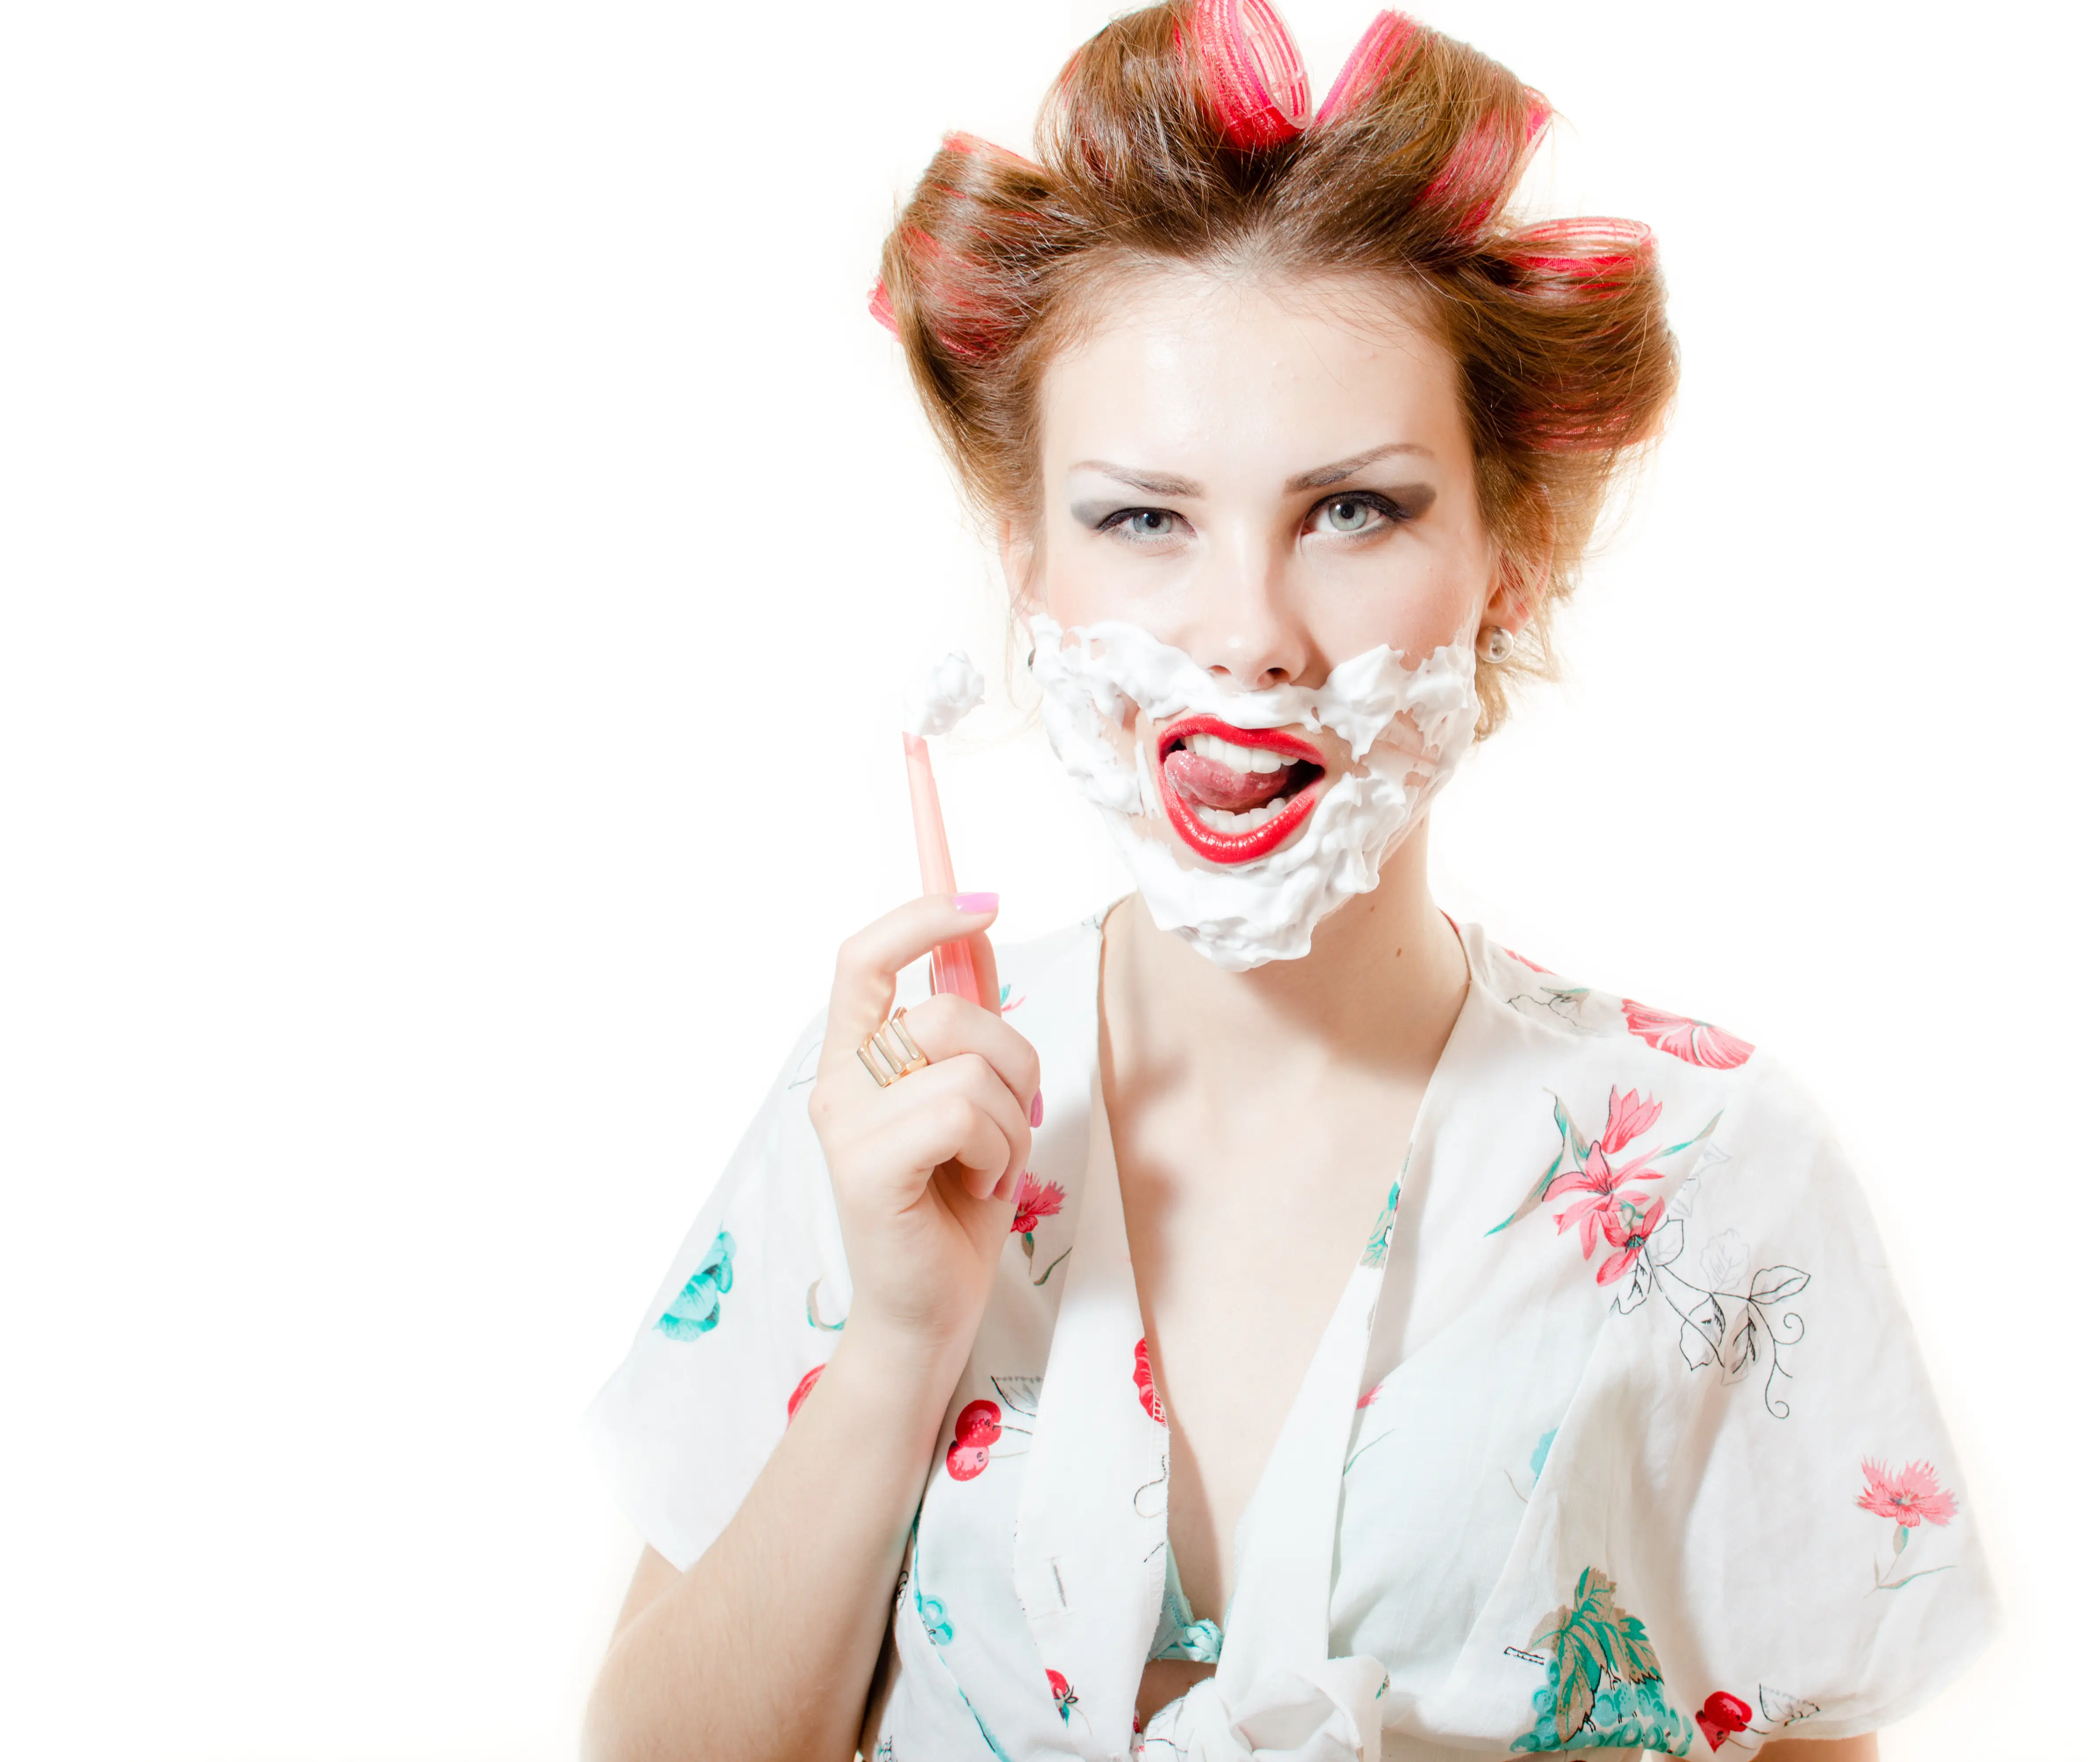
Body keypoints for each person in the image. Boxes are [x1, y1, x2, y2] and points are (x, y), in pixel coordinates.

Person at [581, 4, 1995, 1758]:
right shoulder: (887, 1108)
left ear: (1509, 555)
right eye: (1143, 519)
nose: (1246, 635)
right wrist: (895, 1339)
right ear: (1024, 556)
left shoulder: (1715, 1174)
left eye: (1353, 511)